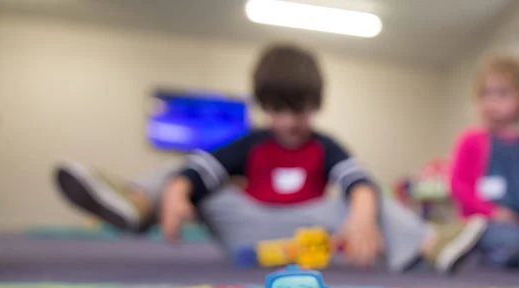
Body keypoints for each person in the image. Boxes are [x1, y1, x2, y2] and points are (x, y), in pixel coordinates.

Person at [54, 44, 486, 272]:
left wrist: (361, 213)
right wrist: (178, 192)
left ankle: (433, 245)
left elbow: (356, 181)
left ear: (315, 105)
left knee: (368, 193)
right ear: (264, 105)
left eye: (298, 109)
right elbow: (199, 169)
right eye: (277, 109)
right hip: (247, 228)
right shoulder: (253, 141)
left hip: (308, 232)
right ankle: (136, 204)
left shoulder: (324, 144)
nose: (287, 121)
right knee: (182, 169)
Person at [448, 55, 519, 273]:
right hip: (483, 223)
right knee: (501, 236)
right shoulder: (471, 140)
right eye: (486, 94)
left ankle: (513, 257)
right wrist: (493, 212)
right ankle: (514, 258)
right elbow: (459, 186)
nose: (492, 102)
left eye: (502, 94)